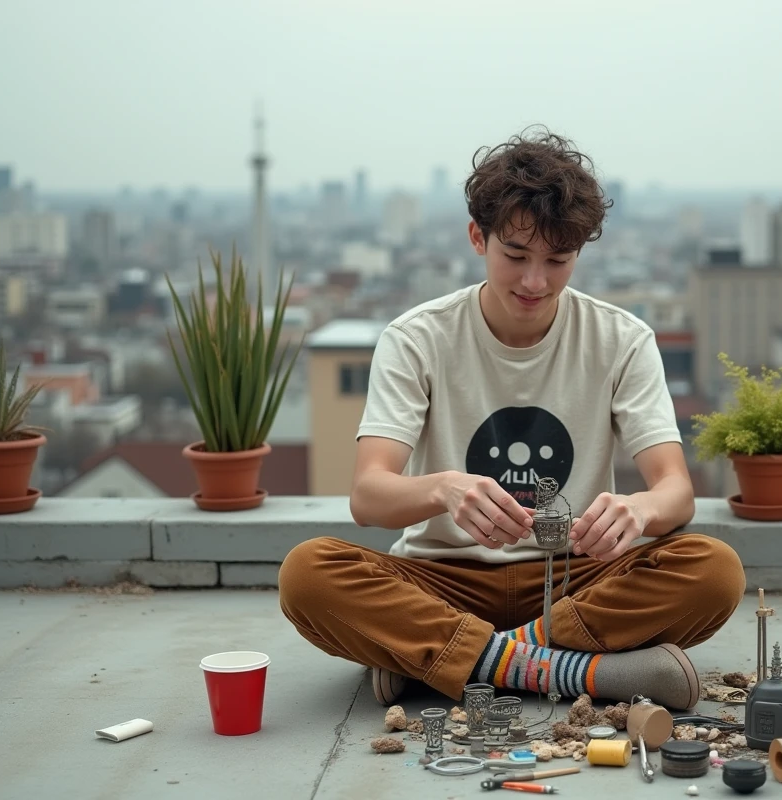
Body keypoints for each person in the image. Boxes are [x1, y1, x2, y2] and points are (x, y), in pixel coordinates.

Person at [279, 126, 745, 711]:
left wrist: (637, 509)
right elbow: (370, 497)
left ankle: (444, 660)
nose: (535, 281)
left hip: (576, 580)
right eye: (516, 255)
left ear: (580, 252)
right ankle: (579, 673)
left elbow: (675, 491)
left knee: (715, 571)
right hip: (442, 576)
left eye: (558, 260)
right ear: (478, 237)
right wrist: (446, 489)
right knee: (307, 574)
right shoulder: (417, 337)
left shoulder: (621, 339)